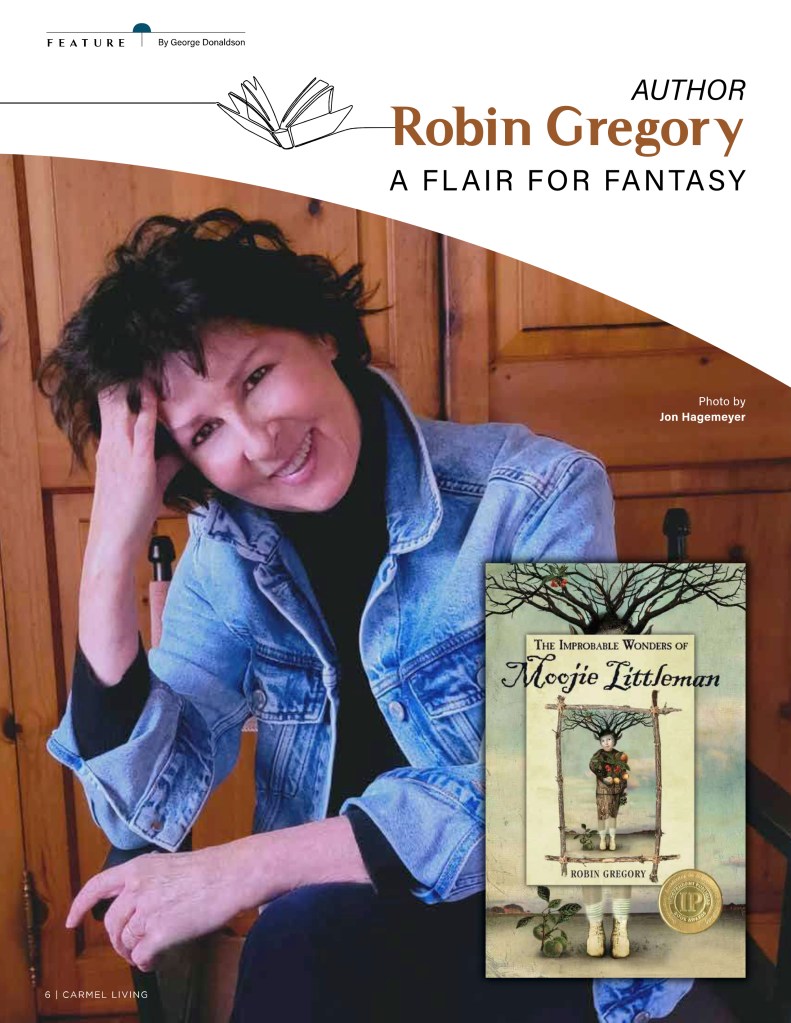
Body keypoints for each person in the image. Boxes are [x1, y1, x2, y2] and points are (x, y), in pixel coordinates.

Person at [41, 209, 692, 1021]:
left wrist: (246, 867)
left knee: (300, 931)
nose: (258, 441)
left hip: (563, 933)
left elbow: (578, 801)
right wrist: (110, 549)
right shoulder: (226, 553)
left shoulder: (534, 493)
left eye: (256, 376)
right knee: (306, 936)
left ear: (321, 334)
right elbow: (138, 803)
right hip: (348, 936)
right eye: (205, 430)